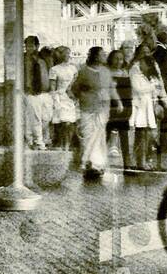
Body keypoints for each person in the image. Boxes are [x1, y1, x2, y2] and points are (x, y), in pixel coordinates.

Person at [71, 47, 117, 177]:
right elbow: (74, 88)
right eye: (102, 54)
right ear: (96, 56)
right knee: (88, 135)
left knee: (99, 136)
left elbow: (110, 88)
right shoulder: (84, 71)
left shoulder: (105, 71)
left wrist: (116, 101)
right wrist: (83, 96)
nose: (105, 56)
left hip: (102, 108)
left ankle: (97, 164)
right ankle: (89, 162)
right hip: (88, 107)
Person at [129, 38, 167, 171]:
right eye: (143, 52)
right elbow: (138, 88)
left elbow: (160, 86)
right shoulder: (134, 68)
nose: (146, 54)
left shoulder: (153, 66)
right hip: (140, 105)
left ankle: (147, 159)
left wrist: (165, 103)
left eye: (148, 52)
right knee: (141, 134)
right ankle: (140, 161)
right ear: (138, 53)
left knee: (152, 135)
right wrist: (152, 87)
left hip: (152, 104)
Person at [106, 46, 132, 171]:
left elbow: (128, 92)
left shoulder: (125, 73)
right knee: (104, 136)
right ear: (110, 59)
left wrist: (128, 107)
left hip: (123, 109)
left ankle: (127, 163)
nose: (118, 61)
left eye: (121, 59)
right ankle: (96, 163)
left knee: (124, 135)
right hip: (109, 108)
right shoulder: (105, 72)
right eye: (116, 59)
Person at [22, 35, 50, 150]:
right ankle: (37, 141)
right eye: (27, 46)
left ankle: (32, 140)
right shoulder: (23, 60)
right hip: (31, 92)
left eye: (31, 45)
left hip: (44, 93)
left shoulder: (42, 59)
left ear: (37, 46)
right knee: (35, 118)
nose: (28, 48)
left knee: (46, 118)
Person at [47, 46, 78, 150]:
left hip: (71, 96)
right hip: (60, 96)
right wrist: (55, 100)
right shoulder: (54, 69)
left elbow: (76, 83)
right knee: (63, 122)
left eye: (69, 53)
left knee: (71, 122)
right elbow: (52, 87)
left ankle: (68, 144)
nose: (68, 56)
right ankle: (61, 143)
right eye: (66, 53)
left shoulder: (73, 68)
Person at [152, 28, 167, 155]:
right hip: (162, 87)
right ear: (166, 39)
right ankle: (164, 143)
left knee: (157, 115)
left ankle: (156, 143)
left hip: (158, 86)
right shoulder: (163, 52)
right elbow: (163, 72)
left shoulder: (155, 51)